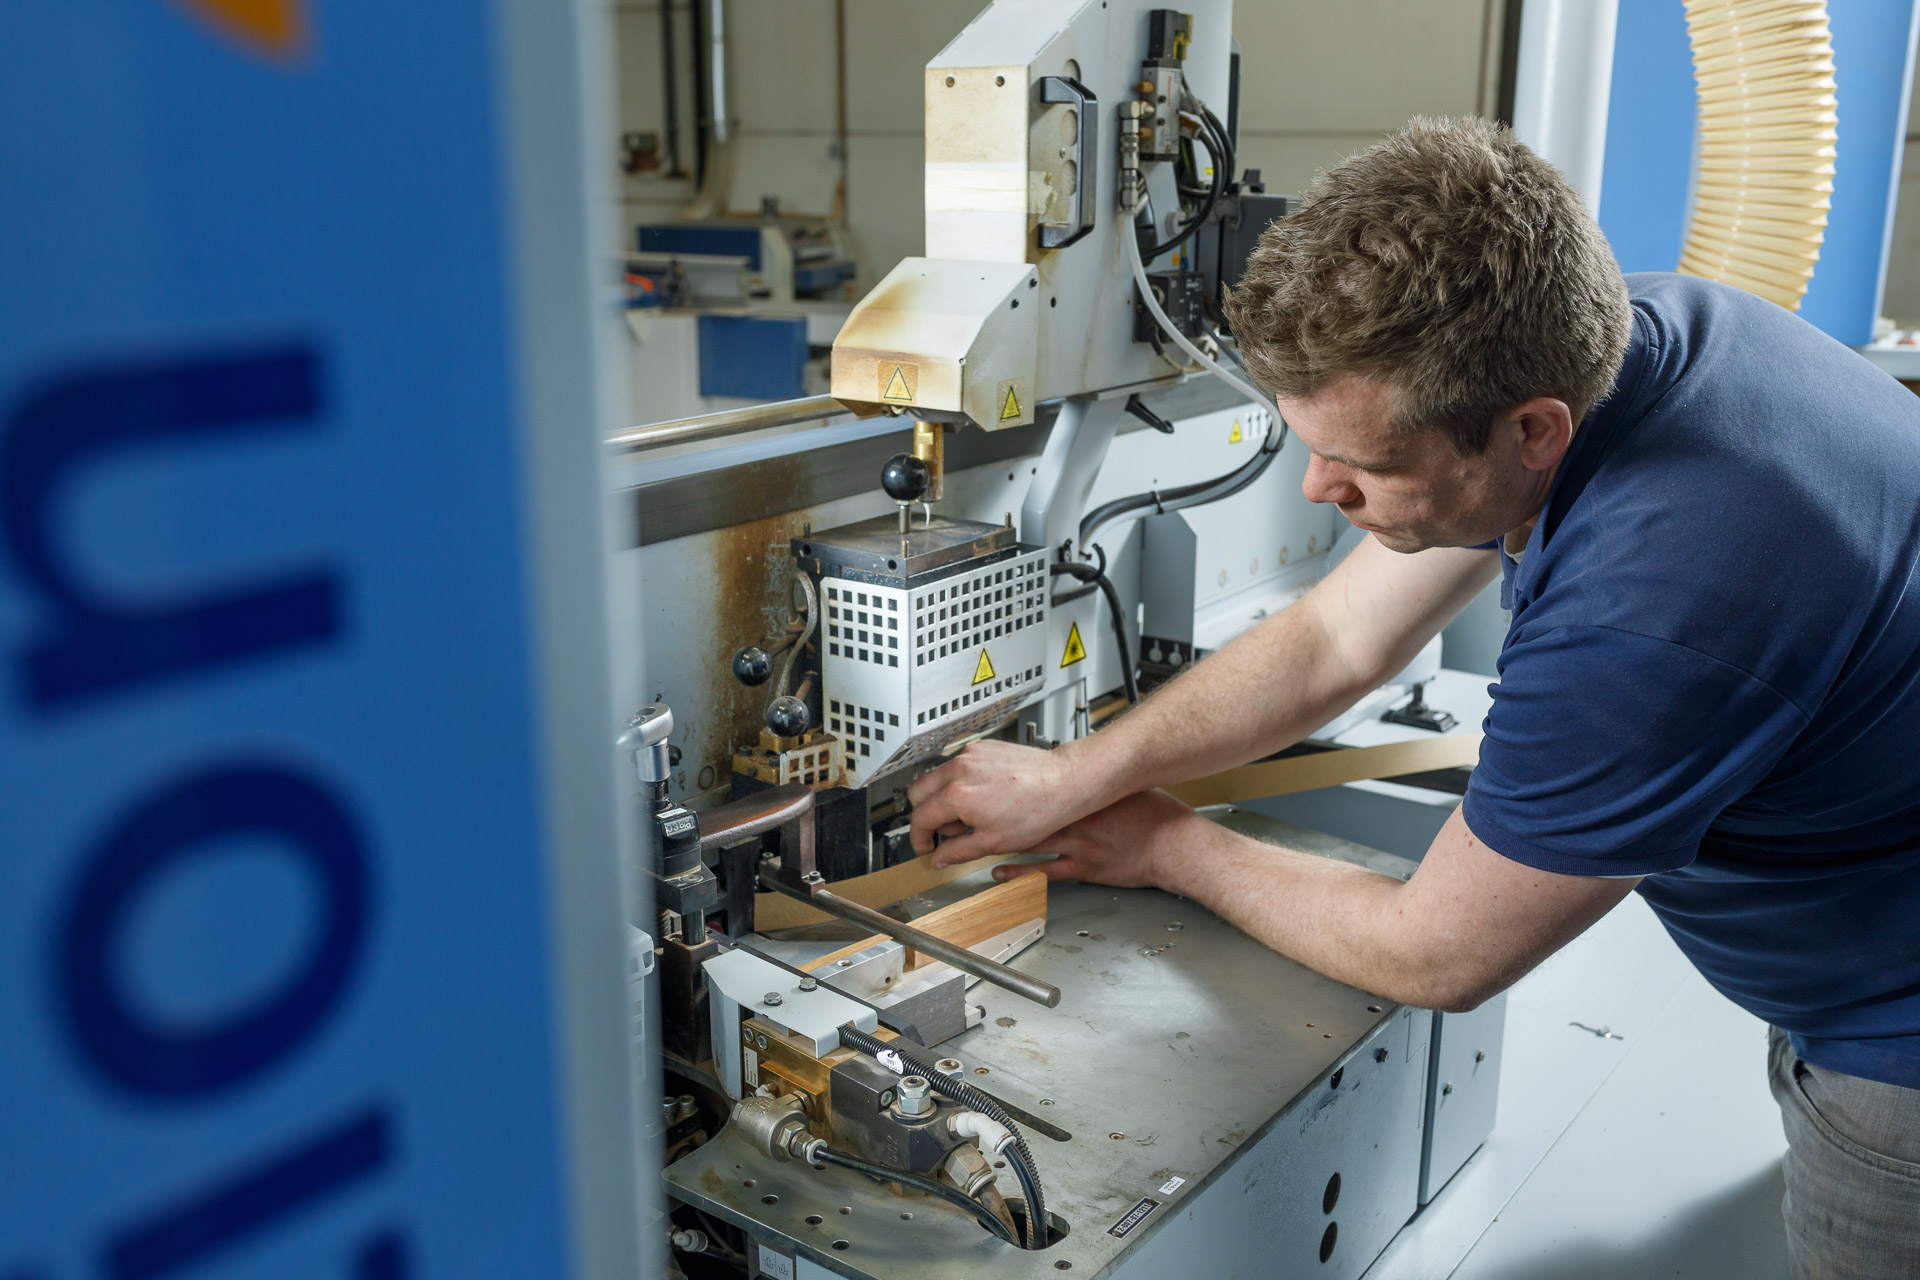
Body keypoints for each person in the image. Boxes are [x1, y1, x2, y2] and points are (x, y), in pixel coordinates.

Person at [906, 116, 1920, 1278]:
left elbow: (1439, 953)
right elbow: (1341, 635)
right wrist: (1083, 772)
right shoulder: (1609, 343)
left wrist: (1165, 844)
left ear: (1533, 429)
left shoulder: (1655, 597)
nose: (1316, 486)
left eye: (1366, 466)